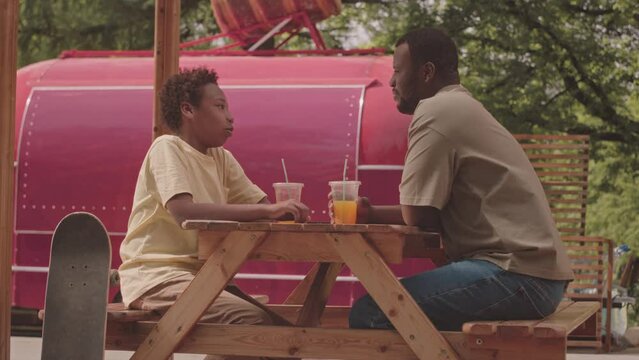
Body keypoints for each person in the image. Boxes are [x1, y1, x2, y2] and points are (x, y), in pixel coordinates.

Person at [340, 27, 574, 331]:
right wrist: (370, 214)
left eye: (398, 70)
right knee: (411, 317)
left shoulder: (437, 110)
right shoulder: (462, 106)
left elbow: (418, 215)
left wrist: (372, 214)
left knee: (372, 312)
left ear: (426, 72)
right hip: (534, 276)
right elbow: (427, 212)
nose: (392, 80)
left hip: (515, 276)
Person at [119, 67, 309, 359]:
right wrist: (268, 209)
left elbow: (262, 207)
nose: (230, 116)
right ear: (188, 110)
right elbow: (184, 213)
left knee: (285, 334)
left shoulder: (221, 158)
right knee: (255, 326)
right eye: (220, 107)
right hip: (157, 277)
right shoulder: (168, 148)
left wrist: (287, 212)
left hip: (207, 279)